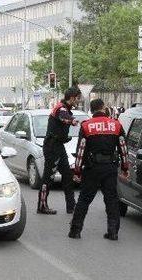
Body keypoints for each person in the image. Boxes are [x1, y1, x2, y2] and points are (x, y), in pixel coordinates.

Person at [69, 98, 129, 241]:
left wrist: (77, 172)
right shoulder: (116, 125)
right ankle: (113, 231)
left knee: (84, 199)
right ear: (103, 108)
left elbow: (81, 150)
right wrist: (125, 168)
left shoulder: (86, 126)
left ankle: (75, 230)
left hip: (92, 168)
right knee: (111, 200)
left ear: (92, 110)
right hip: (110, 168)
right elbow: (123, 149)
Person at [37, 86, 81, 215]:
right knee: (48, 178)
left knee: (67, 176)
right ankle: (42, 206)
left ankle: (71, 206)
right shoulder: (60, 108)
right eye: (77, 98)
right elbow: (63, 117)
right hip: (52, 146)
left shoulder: (65, 108)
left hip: (59, 146)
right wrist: (72, 121)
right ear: (72, 98)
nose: (78, 101)